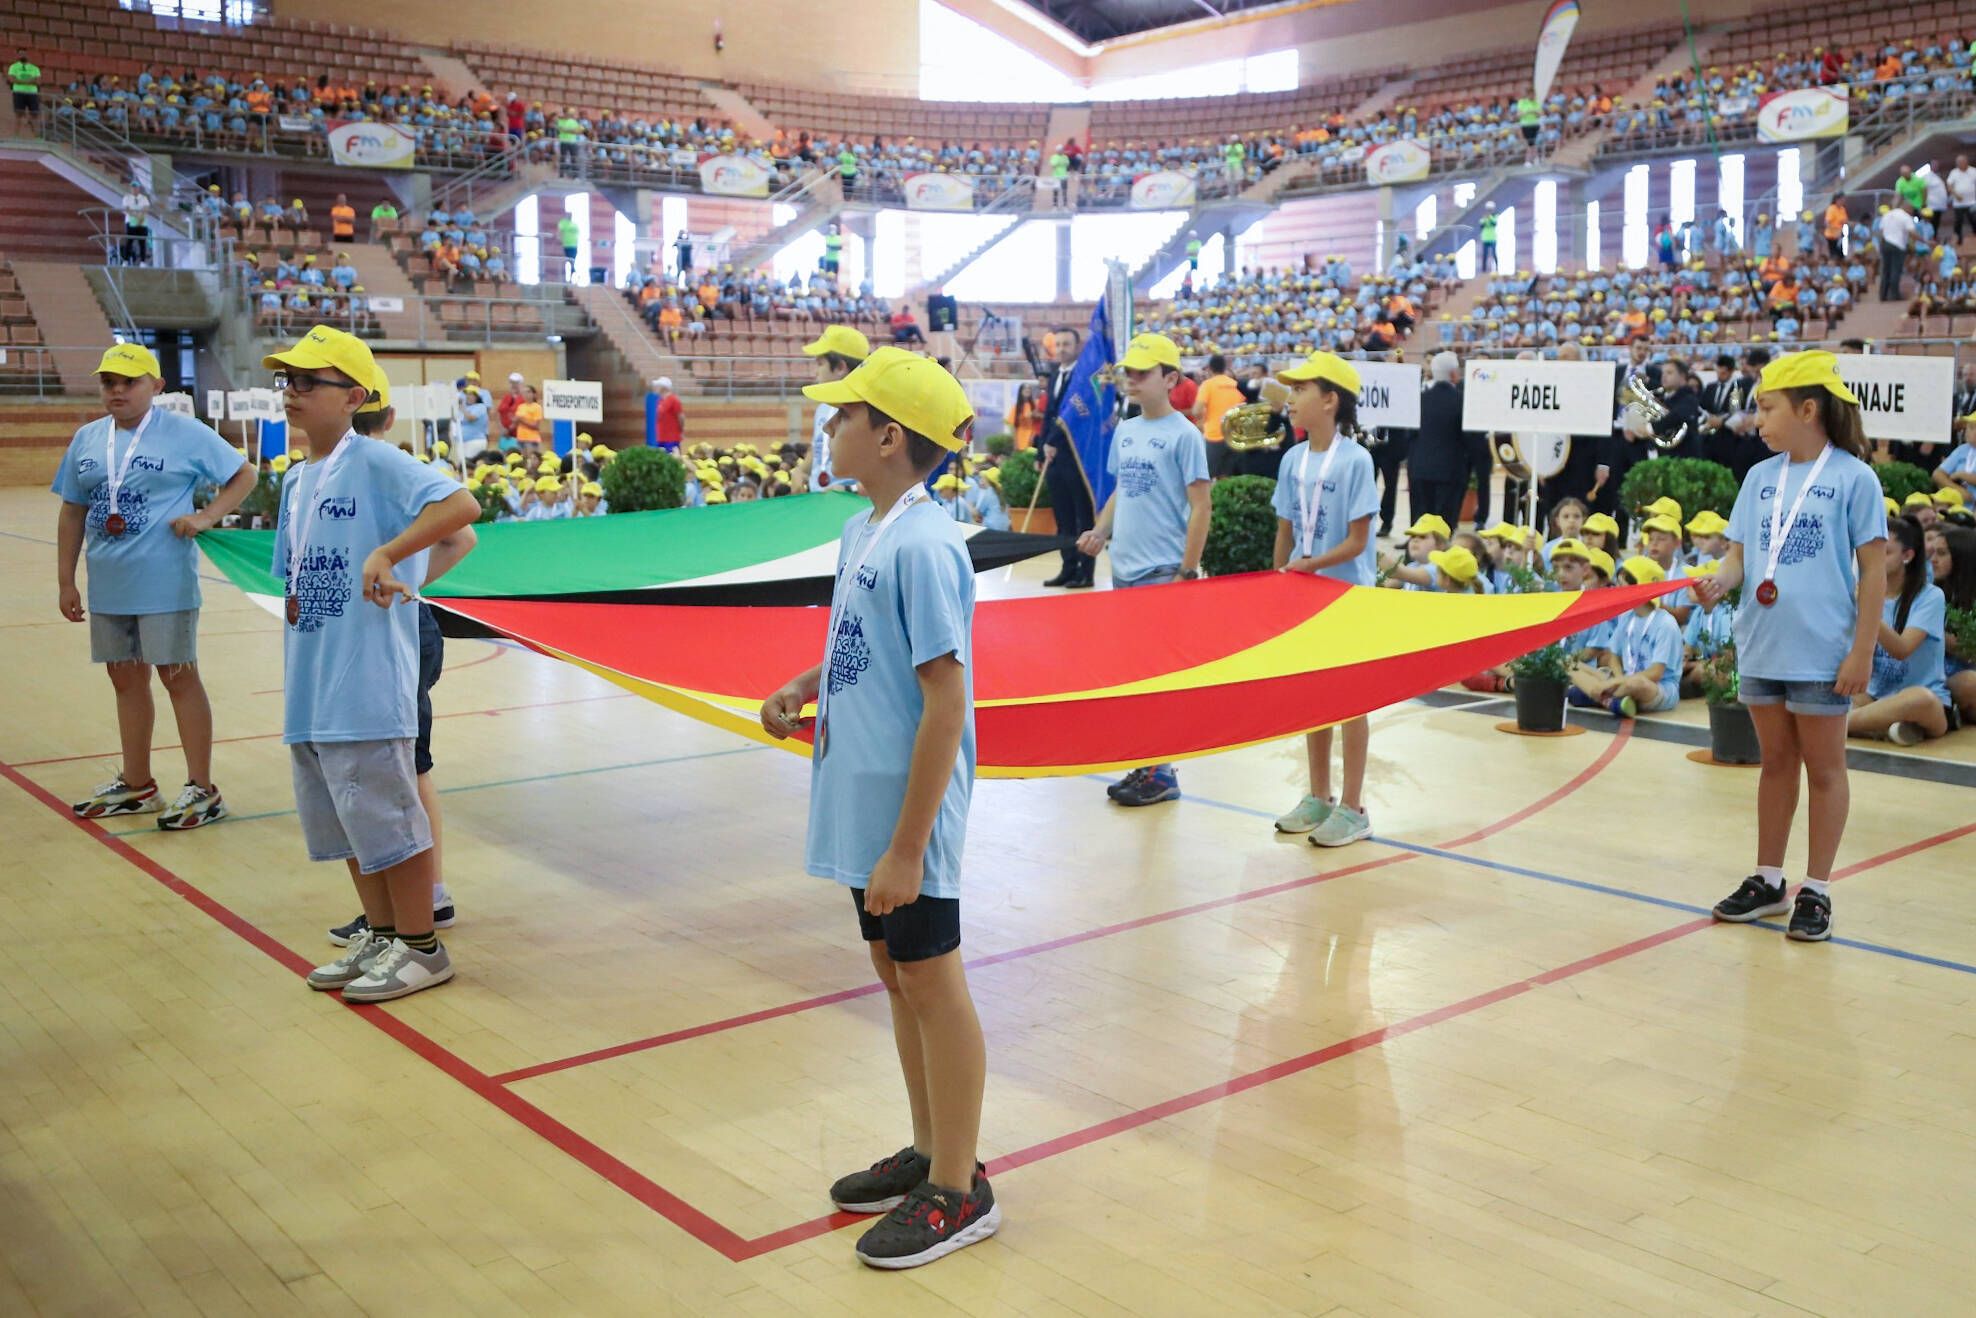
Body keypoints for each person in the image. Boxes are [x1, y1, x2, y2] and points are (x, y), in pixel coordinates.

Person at [758, 347, 998, 1270]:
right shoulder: (867, 529)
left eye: (842, 414)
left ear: (888, 436)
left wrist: (908, 850)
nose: (828, 426)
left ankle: (959, 1185)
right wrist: (803, 683)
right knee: (897, 977)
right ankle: (930, 1146)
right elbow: (867, 650)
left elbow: (946, 701)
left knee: (934, 984)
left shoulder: (928, 543)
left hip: (908, 821)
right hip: (862, 807)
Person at [269, 325, 481, 1002]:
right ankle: (386, 936)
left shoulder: (377, 462)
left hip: (365, 683)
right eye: (287, 381)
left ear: (352, 395)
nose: (291, 393)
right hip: (312, 684)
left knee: (389, 814)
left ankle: (423, 946)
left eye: (308, 382)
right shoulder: (298, 480)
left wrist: (393, 556)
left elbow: (461, 507)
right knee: (348, 821)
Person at [1693, 350, 1887, 944]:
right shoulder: (1758, 478)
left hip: (1824, 651)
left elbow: (1874, 573)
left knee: (1826, 769)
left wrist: (1861, 652)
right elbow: (1739, 558)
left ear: (1808, 409)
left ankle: (1818, 889)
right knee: (1775, 763)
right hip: (1763, 644)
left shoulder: (1855, 477)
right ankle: (1769, 880)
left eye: (1766, 407)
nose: (1757, 419)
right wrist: (1718, 583)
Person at [54, 342, 256, 827]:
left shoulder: (185, 433)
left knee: (177, 677)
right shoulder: (87, 439)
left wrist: (207, 516)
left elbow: (243, 475)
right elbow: (72, 510)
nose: (117, 390)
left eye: (129, 382)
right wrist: (66, 580)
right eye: (109, 382)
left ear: (157, 386)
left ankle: (203, 789)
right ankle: (139, 784)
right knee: (124, 678)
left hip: (165, 582)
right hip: (108, 582)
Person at [326, 363, 469, 946]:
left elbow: (464, 529)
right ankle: (417, 897)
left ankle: (427, 896)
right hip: (390, 625)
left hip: (406, 629)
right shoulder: (340, 475)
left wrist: (406, 578)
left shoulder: (391, 473)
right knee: (408, 767)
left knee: (409, 767)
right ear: (390, 416)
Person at [1075, 333, 1210, 808]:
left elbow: (1200, 508)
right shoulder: (1128, 431)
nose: (1132, 380)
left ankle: (1163, 770)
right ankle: (1147, 763)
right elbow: (1120, 493)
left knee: (1159, 676)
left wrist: (1187, 571)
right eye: (1129, 372)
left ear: (1170, 379)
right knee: (1135, 672)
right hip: (1125, 570)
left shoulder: (1185, 436)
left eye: (1143, 372)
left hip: (1162, 570)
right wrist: (1100, 530)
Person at [1269, 352, 1379, 847]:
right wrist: (1280, 579)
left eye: (1300, 391)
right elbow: (1286, 529)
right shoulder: (1292, 460)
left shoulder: (1356, 459)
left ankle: (1354, 807)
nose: (1290, 399)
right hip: (1302, 592)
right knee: (1313, 696)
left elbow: (1358, 541)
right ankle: (1319, 796)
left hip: (1348, 597)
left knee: (1352, 700)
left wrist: (1308, 565)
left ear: (1330, 400)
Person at [1847, 518, 1956, 745]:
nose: (1873, 559)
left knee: (1919, 699)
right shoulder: (1861, 591)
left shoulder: (1930, 597)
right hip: (1873, 696)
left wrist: (1866, 607)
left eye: (1884, 552)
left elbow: (1902, 649)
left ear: (1907, 556)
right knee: (1839, 690)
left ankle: (1842, 725)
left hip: (1926, 700)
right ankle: (1884, 727)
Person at [1567, 557, 1683, 717]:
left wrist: (1616, 682)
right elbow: (1613, 655)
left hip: (1657, 686)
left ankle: (1597, 695)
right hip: (1624, 677)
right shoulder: (1628, 616)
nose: (1618, 590)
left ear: (1639, 588)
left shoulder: (1666, 623)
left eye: (1622, 586)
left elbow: (1656, 673)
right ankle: (1613, 701)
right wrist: (1619, 677)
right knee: (1570, 665)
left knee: (1636, 684)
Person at [1037, 328, 1095, 587]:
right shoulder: (1054, 375)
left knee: (1082, 515)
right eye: (1057, 344)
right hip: (1054, 457)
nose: (1061, 348)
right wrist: (1042, 449)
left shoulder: (1083, 378)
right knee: (1063, 517)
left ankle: (1086, 571)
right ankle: (1068, 567)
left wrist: (1052, 442)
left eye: (1066, 344)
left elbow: (1074, 417)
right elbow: (1050, 415)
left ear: (1077, 346)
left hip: (1077, 457)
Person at [1409, 351, 1472, 529]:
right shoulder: (1462, 401)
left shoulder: (1419, 399)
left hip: (1421, 471)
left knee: (1422, 525)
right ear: (1454, 374)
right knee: (1444, 527)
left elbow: (1410, 436)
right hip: (1450, 473)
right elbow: (1469, 439)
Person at [802, 324, 869, 490]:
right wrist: (800, 470)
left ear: (840, 367)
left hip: (850, 503)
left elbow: (887, 470)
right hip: (820, 499)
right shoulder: (822, 408)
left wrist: (850, 490)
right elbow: (818, 448)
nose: (815, 372)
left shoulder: (868, 411)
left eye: (820, 364)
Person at [1189, 354, 1245, 478]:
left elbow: (1196, 411)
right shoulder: (1235, 384)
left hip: (1214, 435)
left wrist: (1203, 417)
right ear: (1225, 367)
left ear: (1210, 368)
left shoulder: (1208, 385)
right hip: (1234, 436)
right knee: (1228, 476)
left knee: (1208, 476)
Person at [1879, 202, 1916, 301]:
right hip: (1898, 245)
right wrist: (1924, 241)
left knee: (1886, 270)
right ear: (1907, 207)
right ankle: (1894, 294)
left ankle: (1883, 294)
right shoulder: (1905, 217)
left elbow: (1881, 231)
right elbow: (1912, 233)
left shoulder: (1887, 215)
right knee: (1895, 270)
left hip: (1886, 243)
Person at [457, 371, 492, 460]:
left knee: (472, 463)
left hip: (475, 439)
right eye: (467, 394)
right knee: (462, 464)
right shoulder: (464, 402)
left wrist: (462, 408)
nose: (468, 397)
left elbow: (471, 418)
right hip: (462, 440)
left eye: (471, 395)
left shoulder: (480, 406)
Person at [9, 50, 41, 133]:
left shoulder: (35, 68)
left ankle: (37, 136)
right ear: (17, 55)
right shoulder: (13, 67)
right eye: (20, 54)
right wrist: (29, 81)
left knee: (34, 114)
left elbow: (38, 81)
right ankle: (16, 135)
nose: (22, 55)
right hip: (18, 92)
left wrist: (19, 80)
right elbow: (12, 80)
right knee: (18, 114)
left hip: (32, 93)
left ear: (27, 55)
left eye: (24, 53)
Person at [651, 376, 685, 450]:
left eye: (658, 386)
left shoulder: (674, 400)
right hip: (660, 438)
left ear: (663, 387)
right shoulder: (660, 401)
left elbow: (681, 417)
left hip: (671, 438)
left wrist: (681, 430)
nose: (656, 388)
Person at [497, 372, 525, 447]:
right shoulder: (506, 397)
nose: (513, 385)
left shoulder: (523, 399)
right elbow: (499, 414)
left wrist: (509, 430)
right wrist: (502, 429)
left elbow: (522, 417)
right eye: (511, 383)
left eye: (516, 383)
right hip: (504, 435)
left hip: (519, 436)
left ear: (521, 384)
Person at [557, 210, 581, 282]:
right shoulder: (563, 223)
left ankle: (572, 277)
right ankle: (572, 275)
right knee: (569, 261)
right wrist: (560, 239)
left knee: (572, 261)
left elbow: (577, 236)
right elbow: (559, 232)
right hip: (566, 246)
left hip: (574, 246)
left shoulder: (575, 225)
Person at [1479, 204, 1499, 273]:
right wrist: (1485, 218)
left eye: (1490, 209)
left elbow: (1494, 223)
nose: (1489, 210)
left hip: (1493, 238)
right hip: (1485, 238)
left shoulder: (1495, 216)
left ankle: (1497, 269)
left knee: (1494, 254)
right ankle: (1484, 270)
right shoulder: (1483, 217)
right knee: (1485, 255)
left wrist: (1489, 217)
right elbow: (1481, 225)